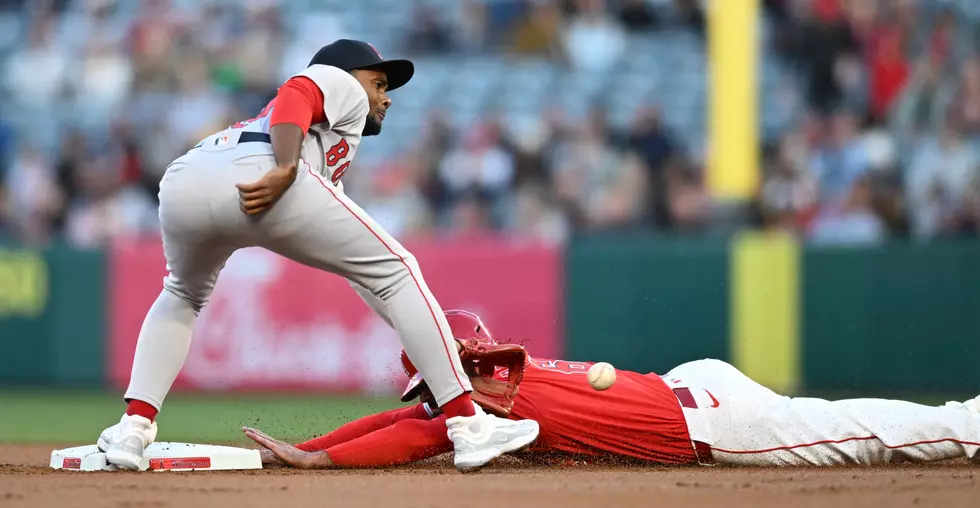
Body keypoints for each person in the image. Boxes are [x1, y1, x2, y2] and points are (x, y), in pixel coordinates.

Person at [96, 40, 539, 473]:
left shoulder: (323, 146)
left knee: (182, 294)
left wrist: (426, 337)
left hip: (185, 182)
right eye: (379, 83)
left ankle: (133, 429)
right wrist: (286, 166)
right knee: (399, 269)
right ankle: (466, 423)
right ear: (350, 76)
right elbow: (298, 92)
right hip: (266, 166)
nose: (386, 98)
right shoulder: (337, 81)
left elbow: (368, 280)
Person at [245, 310, 980, 469]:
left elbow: (417, 432)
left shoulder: (488, 399)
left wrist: (317, 463)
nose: (429, 392)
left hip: (715, 422)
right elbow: (412, 417)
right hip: (685, 389)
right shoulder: (490, 384)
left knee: (859, 434)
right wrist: (309, 446)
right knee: (840, 419)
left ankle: (970, 425)